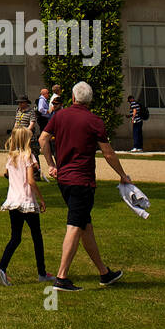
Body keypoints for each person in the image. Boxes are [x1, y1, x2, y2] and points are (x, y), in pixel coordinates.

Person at [39, 80, 131, 291]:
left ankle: (104, 273)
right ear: (90, 100)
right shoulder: (94, 121)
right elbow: (108, 153)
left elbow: (43, 139)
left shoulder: (60, 115)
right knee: (75, 225)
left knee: (84, 225)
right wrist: (123, 175)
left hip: (64, 180)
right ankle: (61, 277)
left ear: (73, 98)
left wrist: (51, 164)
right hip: (82, 180)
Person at [0, 127, 54, 285]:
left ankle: (2, 268)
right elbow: (31, 181)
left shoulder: (11, 156)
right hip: (26, 201)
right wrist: (41, 199)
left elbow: (7, 174)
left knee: (15, 237)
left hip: (13, 201)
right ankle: (41, 272)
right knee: (37, 237)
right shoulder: (28, 156)